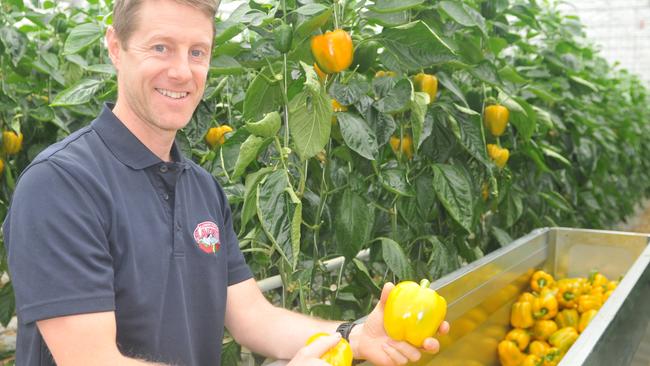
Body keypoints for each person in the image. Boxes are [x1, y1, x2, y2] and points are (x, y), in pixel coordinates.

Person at [2, 0, 449, 365]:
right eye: (160, 47)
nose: (182, 71)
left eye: (198, 52)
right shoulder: (61, 185)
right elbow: (93, 360)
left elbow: (254, 319)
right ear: (115, 47)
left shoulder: (201, 187)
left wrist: (352, 334)